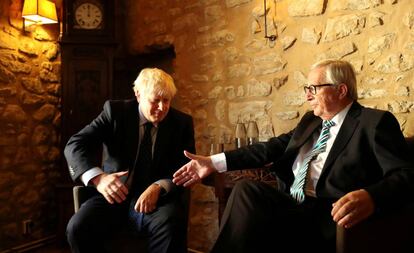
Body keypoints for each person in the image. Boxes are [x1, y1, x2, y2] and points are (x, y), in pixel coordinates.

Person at [173, 59, 414, 252]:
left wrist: (371, 197)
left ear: (341, 90)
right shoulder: (311, 121)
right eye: (307, 89)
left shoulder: (373, 122)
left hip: (327, 218)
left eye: (314, 89)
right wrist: (213, 163)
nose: (307, 95)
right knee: (247, 190)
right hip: (292, 206)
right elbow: (269, 149)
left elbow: (405, 174)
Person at [65, 68, 195, 253]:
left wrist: (160, 186)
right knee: (77, 228)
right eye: (155, 100)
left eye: (166, 100)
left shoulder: (181, 123)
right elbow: (75, 145)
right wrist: (99, 178)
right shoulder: (115, 113)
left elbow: (186, 167)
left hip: (157, 202)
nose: (161, 107)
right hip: (113, 197)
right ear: (138, 94)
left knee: (170, 223)